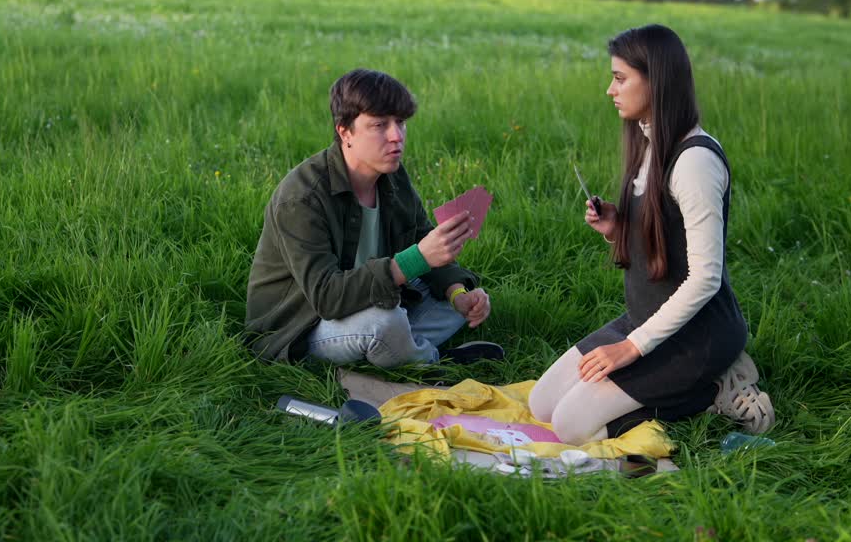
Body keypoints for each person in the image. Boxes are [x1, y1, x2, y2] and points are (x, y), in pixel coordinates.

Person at [529, 24, 774, 445]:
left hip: (696, 336)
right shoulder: (649, 144)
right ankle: (677, 382)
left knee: (571, 426)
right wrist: (617, 229)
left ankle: (716, 389)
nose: (610, 89)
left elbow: (704, 278)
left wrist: (631, 348)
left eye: (620, 78)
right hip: (647, 319)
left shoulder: (694, 162)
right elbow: (664, 240)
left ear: (656, 80)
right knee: (543, 405)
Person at [244, 69, 504, 367]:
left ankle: (395, 349)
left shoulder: (390, 176)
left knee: (454, 302)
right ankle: (434, 361)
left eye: (401, 123)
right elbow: (327, 297)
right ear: (345, 132)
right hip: (304, 324)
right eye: (380, 125)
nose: (396, 136)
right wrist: (416, 259)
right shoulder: (301, 198)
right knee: (383, 322)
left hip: (369, 299)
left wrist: (457, 293)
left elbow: (421, 237)